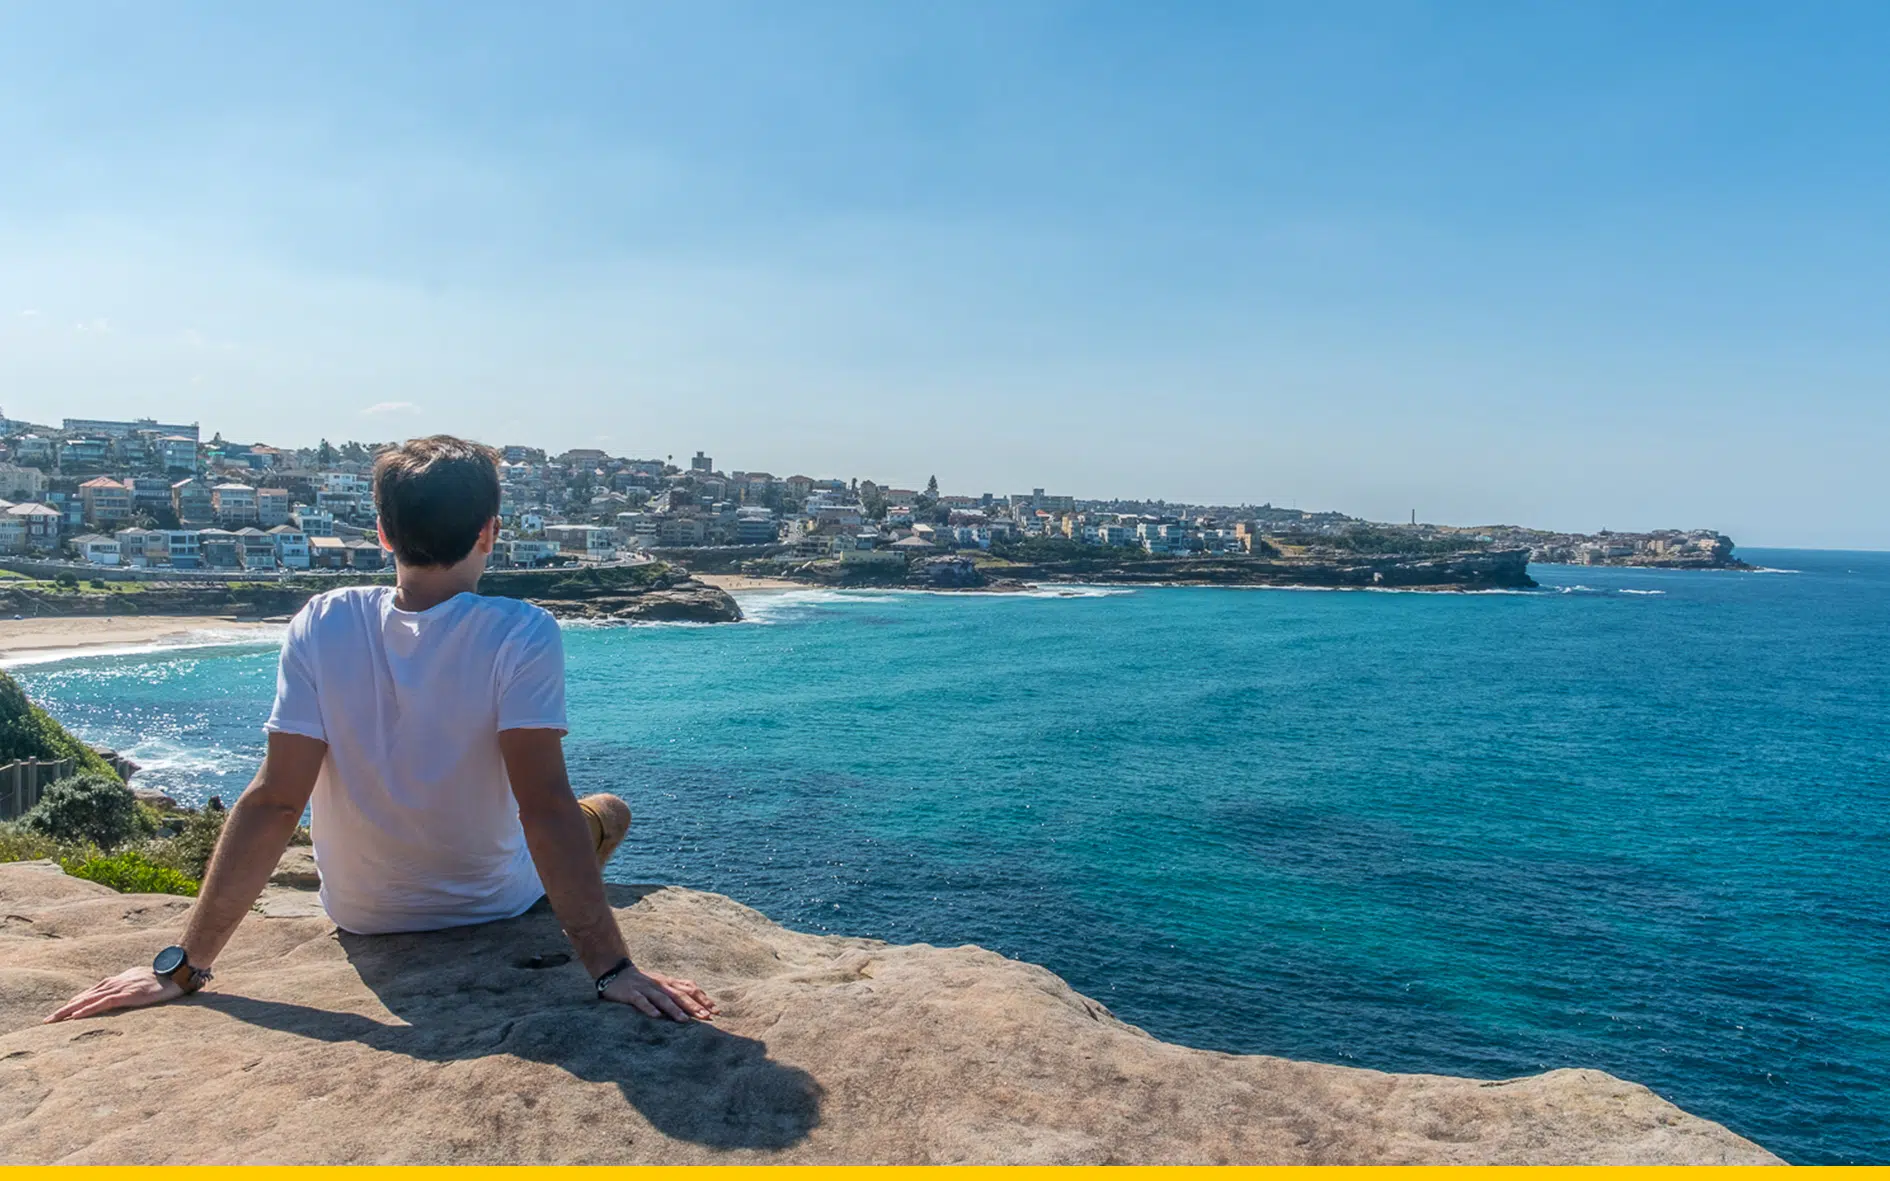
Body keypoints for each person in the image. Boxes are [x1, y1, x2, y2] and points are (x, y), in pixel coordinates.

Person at [47, 436, 715, 1025]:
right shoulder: (521, 630)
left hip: (362, 912)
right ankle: (550, 894)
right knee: (607, 809)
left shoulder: (322, 620)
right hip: (489, 901)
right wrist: (611, 967)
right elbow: (542, 807)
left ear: (384, 533)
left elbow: (276, 801)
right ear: (490, 532)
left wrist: (182, 965)